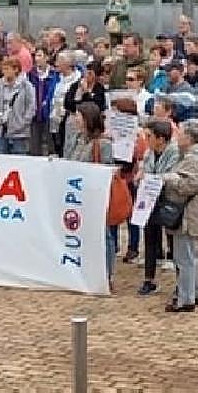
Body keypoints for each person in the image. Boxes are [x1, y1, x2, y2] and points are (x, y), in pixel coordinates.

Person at [157, 118, 198, 311]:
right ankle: (193, 293)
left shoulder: (192, 159)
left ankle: (185, 299)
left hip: (187, 214)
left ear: (189, 137)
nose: (176, 137)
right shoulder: (193, 156)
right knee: (190, 256)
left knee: (184, 258)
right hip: (192, 212)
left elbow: (189, 186)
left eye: (179, 133)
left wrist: (168, 179)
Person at [64, 102, 118, 282]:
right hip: (78, 195)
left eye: (79, 116)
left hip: (96, 195)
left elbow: (106, 169)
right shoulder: (78, 139)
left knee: (104, 234)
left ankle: (107, 274)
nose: (75, 119)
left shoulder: (103, 144)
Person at [137, 118, 181, 297]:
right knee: (150, 238)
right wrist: (142, 175)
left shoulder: (175, 153)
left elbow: (173, 175)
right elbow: (145, 169)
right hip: (150, 199)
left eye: (149, 136)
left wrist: (154, 178)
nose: (146, 139)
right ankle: (149, 279)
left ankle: (181, 281)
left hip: (169, 200)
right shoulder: (149, 153)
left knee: (174, 241)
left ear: (161, 139)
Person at [0, 55, 36, 155]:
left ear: (16, 69)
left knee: (19, 158)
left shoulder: (26, 86)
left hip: (19, 132)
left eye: (7, 69)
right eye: (3, 69)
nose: (4, 72)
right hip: (0, 130)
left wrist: (22, 124)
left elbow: (31, 107)